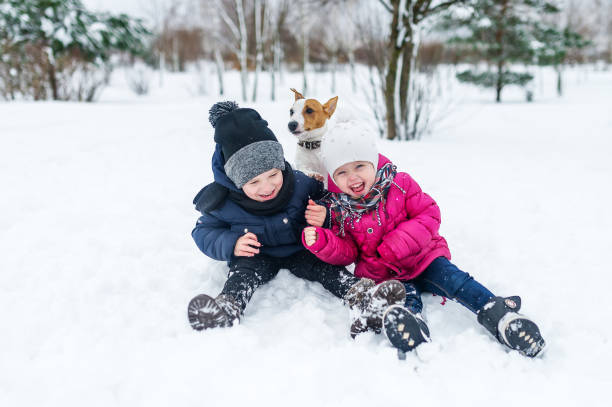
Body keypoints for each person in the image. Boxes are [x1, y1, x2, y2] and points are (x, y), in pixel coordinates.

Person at [302, 120, 546, 357]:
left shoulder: (400, 184)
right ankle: (411, 325)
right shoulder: (338, 210)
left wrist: (399, 243)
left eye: (359, 167)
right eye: (341, 172)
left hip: (424, 258)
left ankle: (501, 316)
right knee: (404, 296)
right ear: (333, 177)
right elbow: (349, 253)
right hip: (385, 273)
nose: (352, 177)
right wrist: (323, 241)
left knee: (456, 281)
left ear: (373, 162)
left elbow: (428, 213)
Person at [187, 102, 405, 333]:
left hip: (300, 248)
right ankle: (228, 306)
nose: (267, 186)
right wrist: (232, 243)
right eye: (254, 182)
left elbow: (329, 201)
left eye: (273, 174)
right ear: (236, 182)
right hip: (257, 254)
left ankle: (363, 296)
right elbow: (203, 231)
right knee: (242, 275)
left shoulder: (300, 183)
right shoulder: (225, 202)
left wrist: (325, 214)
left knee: (327, 269)